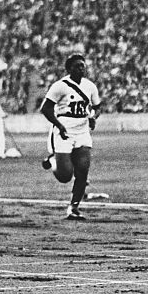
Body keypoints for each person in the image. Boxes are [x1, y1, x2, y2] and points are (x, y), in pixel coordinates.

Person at [41, 53, 102, 220]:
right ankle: (53, 160)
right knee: (65, 176)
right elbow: (45, 108)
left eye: (83, 65)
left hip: (82, 132)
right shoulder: (60, 86)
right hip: (64, 131)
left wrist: (93, 117)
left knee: (83, 170)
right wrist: (59, 125)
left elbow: (97, 107)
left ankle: (74, 207)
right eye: (77, 66)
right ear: (69, 69)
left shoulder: (90, 86)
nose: (81, 69)